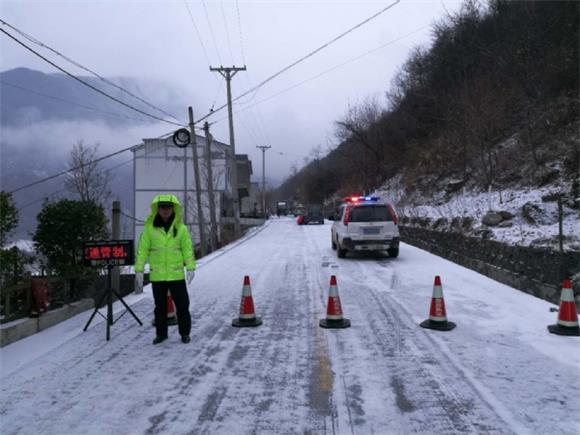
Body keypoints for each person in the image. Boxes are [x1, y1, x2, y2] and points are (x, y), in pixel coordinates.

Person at [134, 194, 196, 344]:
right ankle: (161, 334)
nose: (166, 210)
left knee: (182, 306)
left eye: (168, 207)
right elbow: (142, 250)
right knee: (160, 308)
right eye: (162, 207)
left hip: (176, 276)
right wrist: (139, 269)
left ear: (173, 208)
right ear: (157, 209)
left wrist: (190, 267)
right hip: (158, 276)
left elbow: (187, 249)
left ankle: (185, 333)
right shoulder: (149, 229)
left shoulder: (180, 228)